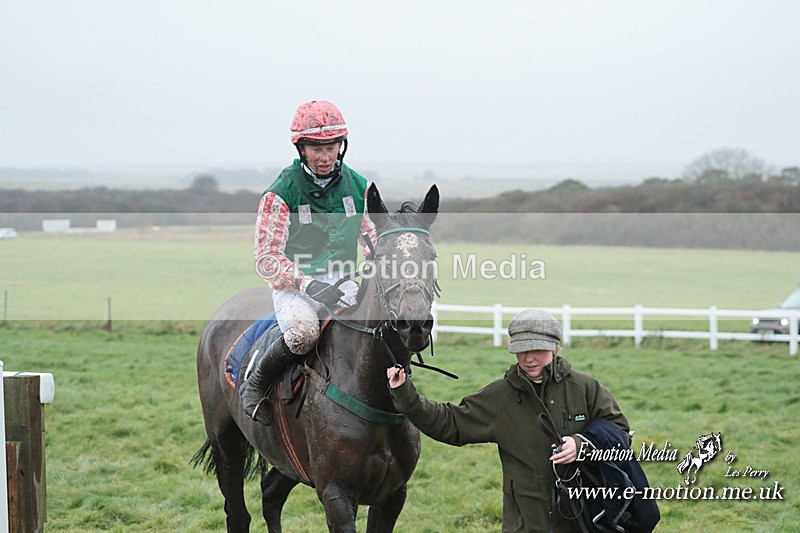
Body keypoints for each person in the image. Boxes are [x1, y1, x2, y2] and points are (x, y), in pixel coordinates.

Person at [386, 309, 630, 532]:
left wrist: (581, 444)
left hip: (586, 519)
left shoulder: (585, 387)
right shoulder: (501, 396)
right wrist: (405, 393)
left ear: (555, 347)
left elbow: (620, 432)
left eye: (536, 349)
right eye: (522, 350)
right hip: (526, 524)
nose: (529, 358)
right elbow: (450, 423)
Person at [240, 100, 377, 423]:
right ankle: (256, 385)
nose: (325, 156)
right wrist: (308, 284)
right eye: (316, 149)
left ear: (341, 147)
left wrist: (370, 271)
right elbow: (267, 257)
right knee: (303, 335)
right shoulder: (280, 192)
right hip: (297, 288)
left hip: (343, 284)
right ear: (301, 149)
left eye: (331, 147)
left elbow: (373, 239)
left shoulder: (360, 187)